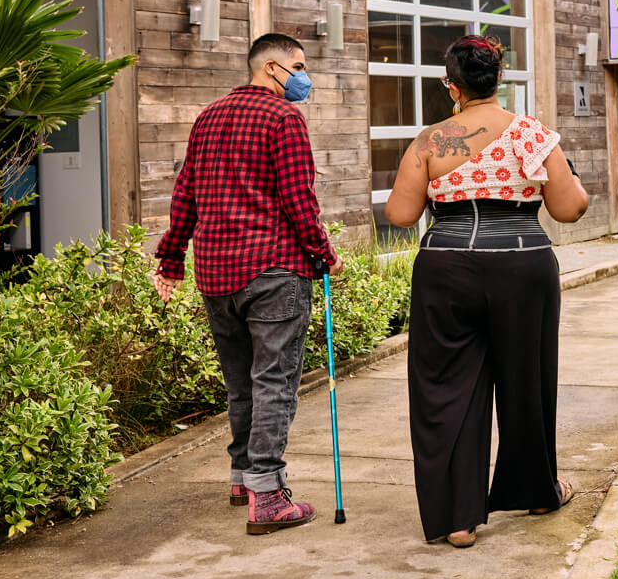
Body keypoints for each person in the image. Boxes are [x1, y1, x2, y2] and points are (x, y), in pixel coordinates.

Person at [385, 35, 589, 548]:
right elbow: (569, 209)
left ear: (451, 86)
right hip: (522, 265)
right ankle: (538, 492)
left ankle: (458, 519)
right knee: (527, 383)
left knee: (447, 387)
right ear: (499, 78)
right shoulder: (532, 135)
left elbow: (401, 214)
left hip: (446, 268)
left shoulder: (431, 141)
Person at [154, 32, 341, 535]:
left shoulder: (208, 116)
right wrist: (324, 255)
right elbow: (299, 200)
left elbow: (185, 193)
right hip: (274, 269)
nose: (304, 77)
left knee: (241, 382)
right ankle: (268, 496)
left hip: (216, 272)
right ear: (272, 68)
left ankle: (242, 478)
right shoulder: (284, 118)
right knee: (274, 381)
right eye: (298, 67)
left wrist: (171, 258)